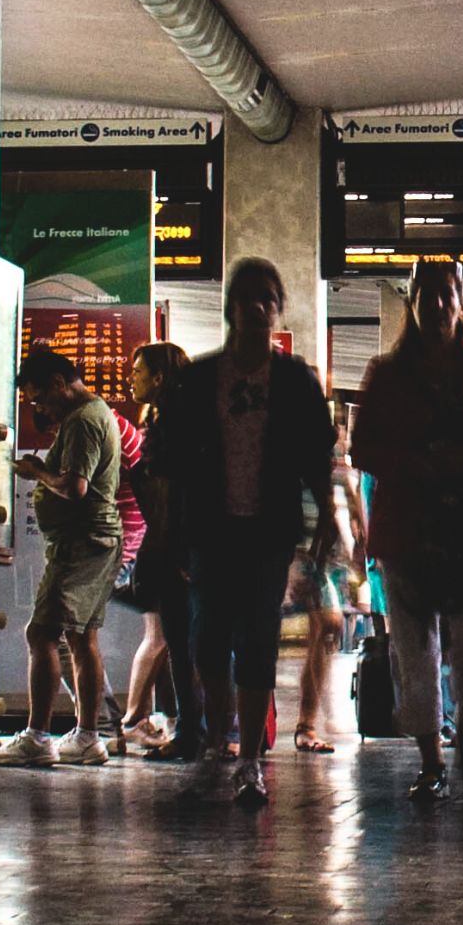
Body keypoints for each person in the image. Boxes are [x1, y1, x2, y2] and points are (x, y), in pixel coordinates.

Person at [151, 258, 334, 807]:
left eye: (267, 299)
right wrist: (166, 529)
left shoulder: (296, 380)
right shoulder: (200, 378)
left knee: (258, 638)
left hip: (267, 531)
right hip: (210, 528)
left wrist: (327, 514)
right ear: (230, 307)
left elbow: (316, 455)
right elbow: (168, 460)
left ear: (278, 310)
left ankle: (251, 759)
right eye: (247, 298)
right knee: (207, 640)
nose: (257, 308)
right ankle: (222, 728)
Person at [352, 261, 463, 800]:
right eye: (427, 294)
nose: (438, 304)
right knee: (413, 651)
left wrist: (458, 462)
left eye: (447, 294)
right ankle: (431, 757)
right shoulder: (386, 373)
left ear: (461, 302)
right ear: (413, 301)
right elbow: (364, 448)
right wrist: (420, 463)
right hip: (406, 533)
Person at [0, 347, 124, 768]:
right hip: (92, 541)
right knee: (81, 637)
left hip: (81, 543)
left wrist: (36, 473)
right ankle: (88, 736)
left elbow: (74, 488)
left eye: (39, 398)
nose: (40, 408)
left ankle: (38, 735)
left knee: (41, 634)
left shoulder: (84, 421)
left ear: (58, 383)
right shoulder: (93, 415)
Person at [122, 341, 196, 759]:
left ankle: (192, 732)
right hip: (177, 547)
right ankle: (195, 728)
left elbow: (170, 495)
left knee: (183, 644)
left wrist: (175, 549)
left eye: (138, 370)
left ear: (159, 377)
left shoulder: (170, 430)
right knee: (183, 642)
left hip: (174, 549)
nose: (131, 377)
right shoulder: (183, 423)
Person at [286, 420, 366, 755]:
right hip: (305, 549)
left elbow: (349, 504)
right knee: (327, 625)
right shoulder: (299, 462)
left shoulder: (337, 465)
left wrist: (358, 547)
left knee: (326, 630)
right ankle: (304, 724)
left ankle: (307, 723)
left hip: (328, 556)